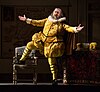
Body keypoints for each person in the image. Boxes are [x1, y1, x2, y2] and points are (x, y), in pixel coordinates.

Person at [17, 8, 84, 85]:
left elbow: (69, 28)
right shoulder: (47, 20)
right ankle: (22, 60)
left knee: (51, 62)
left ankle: (54, 79)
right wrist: (26, 20)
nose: (56, 13)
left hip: (52, 45)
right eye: (55, 12)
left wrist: (76, 29)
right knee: (29, 45)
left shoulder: (62, 24)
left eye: (58, 13)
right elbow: (37, 22)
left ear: (61, 15)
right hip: (42, 41)